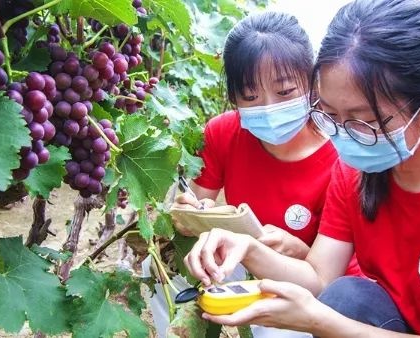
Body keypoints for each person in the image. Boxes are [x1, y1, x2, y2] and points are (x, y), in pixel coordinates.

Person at [183, 0, 420, 337]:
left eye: (364, 120)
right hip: (392, 323)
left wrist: (319, 319)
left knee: (345, 305)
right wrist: (248, 247)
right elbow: (319, 277)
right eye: (330, 115)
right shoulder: (356, 170)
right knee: (347, 297)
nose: (342, 136)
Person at [147, 10, 361, 338]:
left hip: (303, 280)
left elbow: (329, 276)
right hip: (239, 264)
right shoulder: (223, 133)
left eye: (285, 92)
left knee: (275, 330)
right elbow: (195, 205)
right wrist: (189, 211)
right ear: (233, 97)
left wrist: (300, 251)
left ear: (312, 84)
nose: (268, 107)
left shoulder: (342, 159)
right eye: (250, 96)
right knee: (160, 270)